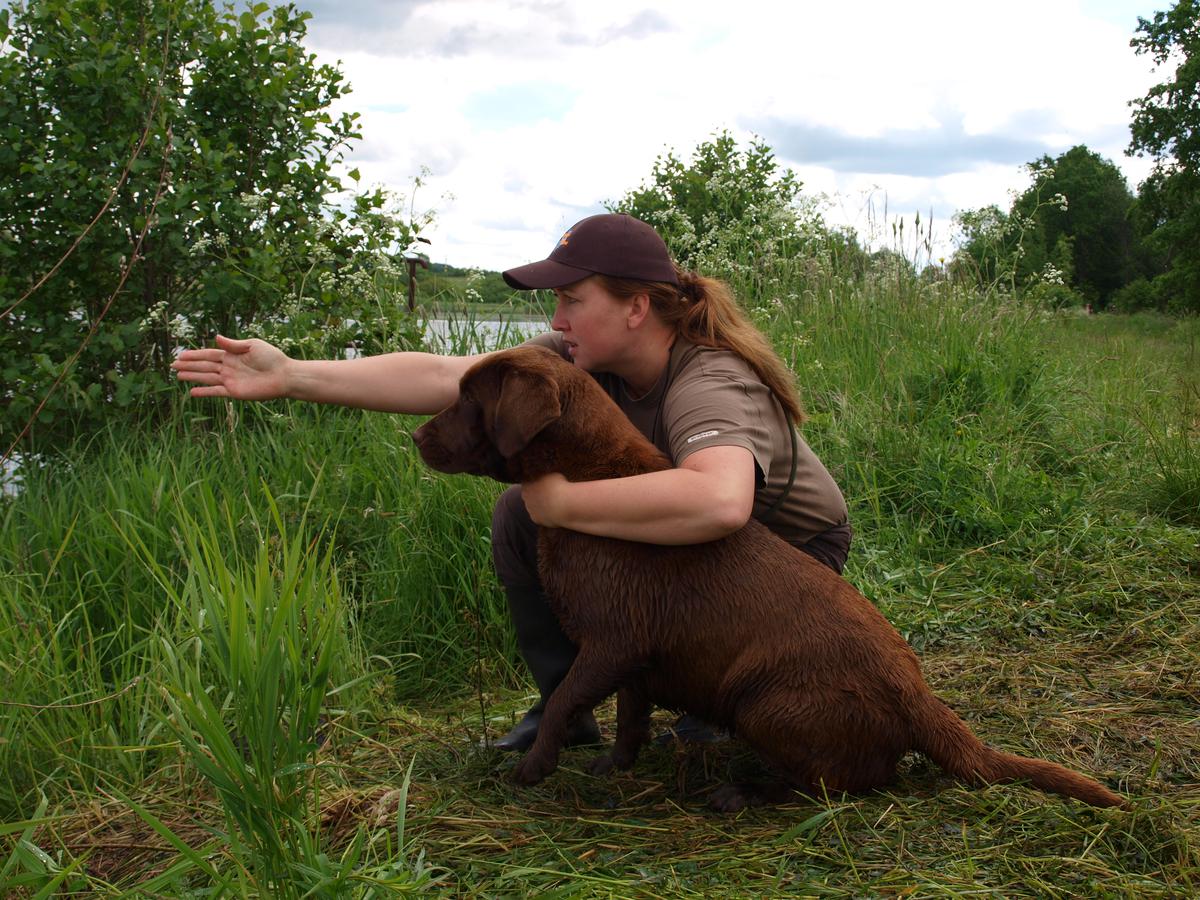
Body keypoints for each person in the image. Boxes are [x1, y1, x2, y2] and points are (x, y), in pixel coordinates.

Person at [172, 213, 851, 751]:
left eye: (570, 299)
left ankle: (715, 701)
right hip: (697, 555)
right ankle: (568, 708)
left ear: (636, 308)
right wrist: (293, 375)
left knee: (545, 510)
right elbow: (447, 378)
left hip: (784, 563)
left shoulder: (710, 379)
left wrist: (564, 501)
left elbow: (721, 502)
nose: (555, 319)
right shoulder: (584, 355)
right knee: (519, 516)